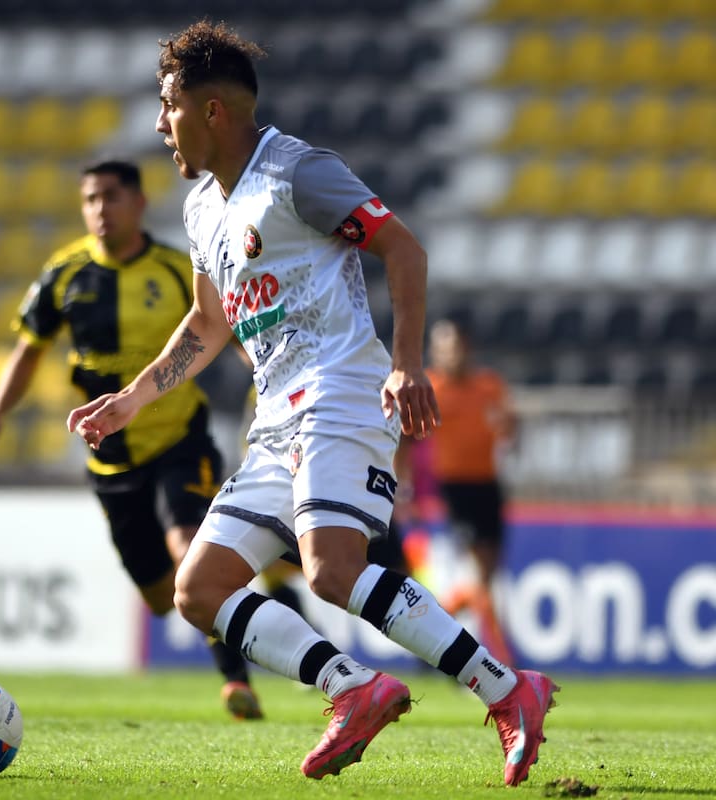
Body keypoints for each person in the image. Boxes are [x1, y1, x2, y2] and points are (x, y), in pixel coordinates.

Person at [68, 21, 558, 787]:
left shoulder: (297, 173)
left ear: (214, 112)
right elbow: (207, 322)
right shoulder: (202, 209)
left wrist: (405, 366)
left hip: (343, 389)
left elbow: (403, 248)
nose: (160, 123)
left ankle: (506, 690)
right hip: (275, 420)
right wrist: (130, 401)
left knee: (332, 570)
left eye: (169, 105)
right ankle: (353, 688)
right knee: (201, 590)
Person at [0, 158, 300, 720]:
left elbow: (224, 328)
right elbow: (29, 349)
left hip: (178, 442)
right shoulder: (65, 273)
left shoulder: (175, 269)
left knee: (189, 550)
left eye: (111, 198)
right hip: (111, 463)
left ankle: (235, 681)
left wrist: (272, 380)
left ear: (139, 204)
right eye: (90, 200)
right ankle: (264, 606)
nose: (100, 210)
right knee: (160, 595)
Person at [420, 316, 518, 665]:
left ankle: (430, 631)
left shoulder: (488, 385)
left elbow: (509, 423)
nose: (451, 354)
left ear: (468, 348)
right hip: (455, 489)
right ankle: (499, 659)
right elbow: (405, 436)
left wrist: (509, 434)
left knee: (486, 576)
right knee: (478, 572)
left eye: (456, 346)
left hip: (488, 485)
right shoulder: (430, 386)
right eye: (443, 347)